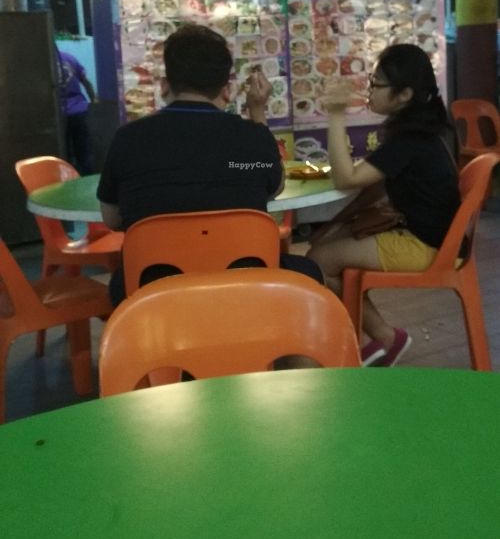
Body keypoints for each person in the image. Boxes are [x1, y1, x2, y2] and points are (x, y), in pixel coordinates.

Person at [97, 23, 323, 306]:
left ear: (164, 86)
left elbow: (112, 219)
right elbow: (274, 187)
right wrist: (257, 111)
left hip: (153, 295)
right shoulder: (251, 139)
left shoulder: (128, 138)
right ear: (226, 90)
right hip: (246, 289)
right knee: (309, 270)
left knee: (118, 282)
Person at [307, 43, 461, 367]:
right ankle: (384, 339)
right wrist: (336, 223)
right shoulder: (426, 128)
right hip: (436, 236)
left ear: (404, 95)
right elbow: (375, 186)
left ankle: (380, 340)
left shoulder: (409, 138)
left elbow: (345, 179)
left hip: (427, 244)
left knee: (319, 259)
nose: (369, 91)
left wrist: (335, 114)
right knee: (325, 248)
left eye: (376, 84)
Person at [57, 48, 96, 175]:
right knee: (84, 151)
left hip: (58, 115)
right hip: (78, 110)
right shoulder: (69, 58)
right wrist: (93, 101)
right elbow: (86, 82)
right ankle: (88, 179)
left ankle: (68, 180)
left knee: (64, 152)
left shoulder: (44, 63)